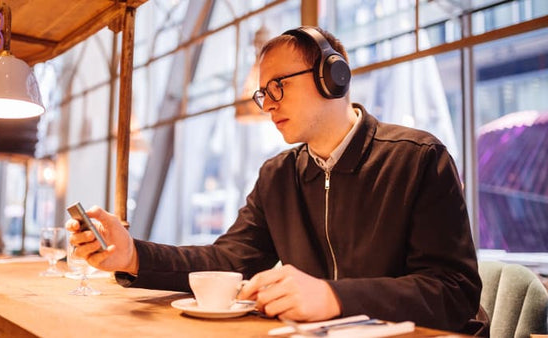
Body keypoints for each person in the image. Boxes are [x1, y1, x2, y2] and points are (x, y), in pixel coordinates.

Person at [67, 26, 486, 334]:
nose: (267, 104)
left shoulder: (418, 158)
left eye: (278, 87)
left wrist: (334, 297)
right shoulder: (278, 175)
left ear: (332, 76)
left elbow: (453, 291)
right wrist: (132, 256)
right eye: (263, 93)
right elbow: (227, 261)